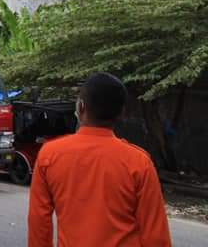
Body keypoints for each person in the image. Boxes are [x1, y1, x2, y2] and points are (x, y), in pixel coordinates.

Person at [27, 72, 171, 247]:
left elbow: (38, 222)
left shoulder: (50, 154)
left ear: (80, 107)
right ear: (121, 113)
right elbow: (155, 234)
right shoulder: (138, 162)